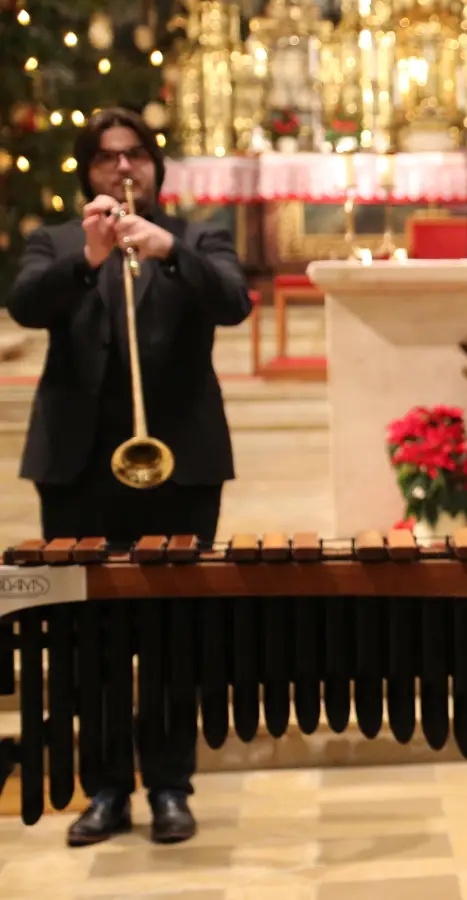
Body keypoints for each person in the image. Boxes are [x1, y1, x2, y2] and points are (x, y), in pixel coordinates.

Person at [5, 108, 253, 844]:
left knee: (176, 632)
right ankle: (107, 788)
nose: (122, 169)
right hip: (79, 469)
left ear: (155, 166)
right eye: (108, 158)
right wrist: (87, 257)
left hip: (179, 465)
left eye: (136, 156)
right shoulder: (53, 244)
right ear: (87, 171)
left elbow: (234, 302)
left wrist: (169, 249)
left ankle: (171, 787)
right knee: (89, 638)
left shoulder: (200, 236)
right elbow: (24, 305)